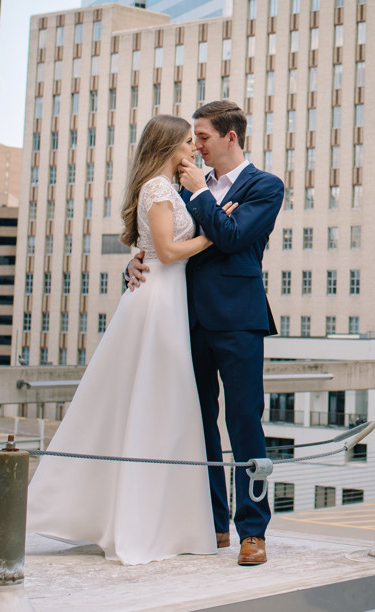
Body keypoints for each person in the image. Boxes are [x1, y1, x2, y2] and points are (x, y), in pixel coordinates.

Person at [27, 114, 235, 565]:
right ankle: (141, 521)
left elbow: (152, 249)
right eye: (186, 141)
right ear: (168, 146)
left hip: (167, 299)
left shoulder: (168, 189)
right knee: (155, 402)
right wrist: (213, 237)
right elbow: (166, 252)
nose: (193, 149)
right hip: (158, 302)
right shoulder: (159, 189)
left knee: (158, 405)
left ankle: (155, 518)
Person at [126, 99, 283, 567]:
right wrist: (137, 262)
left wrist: (202, 197)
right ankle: (213, 520)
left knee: (244, 423)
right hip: (184, 318)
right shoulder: (185, 182)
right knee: (197, 424)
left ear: (230, 137)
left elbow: (234, 238)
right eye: (193, 138)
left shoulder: (265, 186)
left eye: (203, 138)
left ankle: (252, 530)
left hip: (238, 319)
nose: (195, 146)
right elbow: (163, 238)